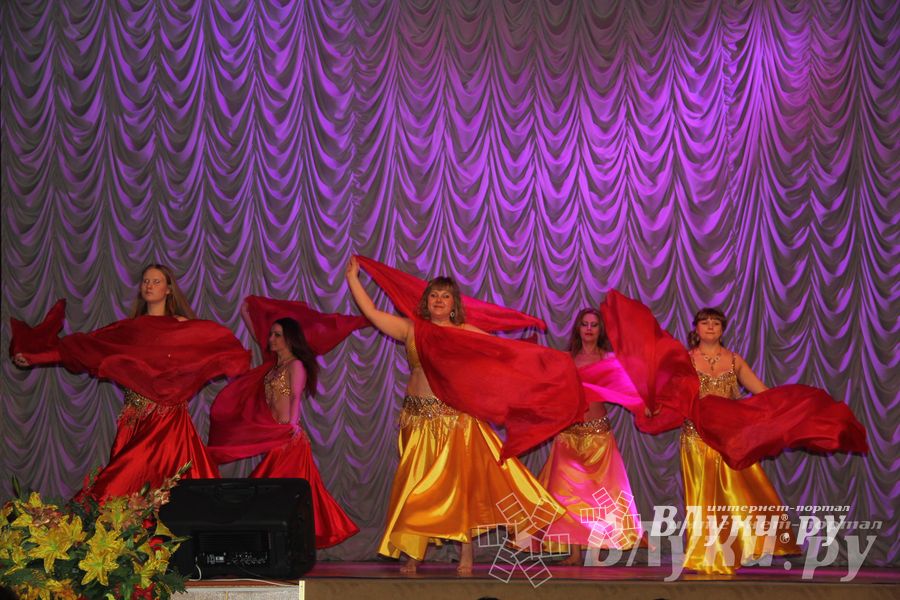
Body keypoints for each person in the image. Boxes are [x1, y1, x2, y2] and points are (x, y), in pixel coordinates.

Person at [345, 256, 566, 575]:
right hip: (417, 422)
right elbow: (374, 314)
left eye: (445, 295)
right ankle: (413, 554)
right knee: (416, 486)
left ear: (454, 305)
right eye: (433, 294)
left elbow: (505, 355)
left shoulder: (465, 332)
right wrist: (353, 279)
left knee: (462, 490)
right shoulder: (412, 329)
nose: (438, 300)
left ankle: (466, 555)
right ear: (426, 301)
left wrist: (543, 364)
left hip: (456, 422)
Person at [10, 264, 249, 499]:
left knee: (126, 482)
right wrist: (35, 357)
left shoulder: (182, 327)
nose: (149, 285)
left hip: (167, 419)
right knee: (133, 486)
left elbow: (216, 345)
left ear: (168, 289)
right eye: (146, 281)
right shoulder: (128, 330)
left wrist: (231, 361)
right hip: (134, 418)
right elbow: (86, 350)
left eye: (156, 281)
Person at [207, 303, 360, 549]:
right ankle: (280, 543)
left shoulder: (295, 365)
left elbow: (295, 397)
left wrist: (291, 427)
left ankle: (288, 543)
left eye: (277, 335)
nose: (271, 339)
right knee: (276, 492)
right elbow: (258, 335)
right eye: (271, 334)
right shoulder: (273, 366)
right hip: (277, 437)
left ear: (290, 338)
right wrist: (247, 312)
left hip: (289, 439)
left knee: (277, 491)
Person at [678, 307, 799, 574]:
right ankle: (706, 555)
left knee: (743, 493)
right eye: (705, 322)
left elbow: (761, 392)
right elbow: (672, 396)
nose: (710, 327)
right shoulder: (684, 360)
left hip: (730, 442)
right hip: (695, 439)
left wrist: (785, 409)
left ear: (723, 329)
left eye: (716, 323)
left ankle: (745, 547)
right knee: (702, 499)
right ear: (696, 329)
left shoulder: (734, 360)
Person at [538, 309, 643, 566]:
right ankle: (574, 553)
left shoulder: (609, 359)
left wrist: (643, 405)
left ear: (600, 330)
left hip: (599, 435)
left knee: (602, 495)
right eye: (584, 324)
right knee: (566, 494)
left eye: (594, 325)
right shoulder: (566, 359)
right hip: (568, 434)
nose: (588, 329)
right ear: (577, 328)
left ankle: (597, 549)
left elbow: (628, 388)